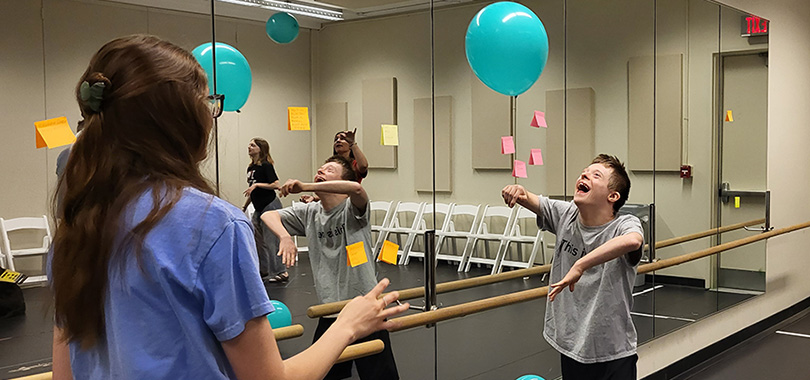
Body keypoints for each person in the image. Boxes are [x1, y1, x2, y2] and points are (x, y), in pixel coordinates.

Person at [49, 34, 408, 380]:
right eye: (208, 104)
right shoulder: (212, 224)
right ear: (182, 120)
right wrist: (348, 324)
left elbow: (65, 373)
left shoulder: (77, 225)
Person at [501, 154, 645, 380]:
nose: (585, 174)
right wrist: (518, 192)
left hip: (613, 353)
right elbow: (532, 198)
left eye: (596, 175)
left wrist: (580, 265)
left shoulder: (624, 224)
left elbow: (633, 241)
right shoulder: (567, 215)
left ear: (613, 196)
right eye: (585, 171)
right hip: (572, 347)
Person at [261, 155, 399, 380]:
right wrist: (284, 236)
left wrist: (306, 185)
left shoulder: (352, 210)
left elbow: (356, 188)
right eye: (320, 168)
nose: (321, 170)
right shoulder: (310, 212)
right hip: (331, 311)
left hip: (365, 307)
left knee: (380, 376)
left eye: (329, 169)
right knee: (323, 374)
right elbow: (268, 214)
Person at [242, 137, 287, 283]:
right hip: (258, 207)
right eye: (249, 145)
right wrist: (244, 206)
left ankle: (281, 271)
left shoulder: (266, 166)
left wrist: (258, 185)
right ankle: (264, 270)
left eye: (253, 145)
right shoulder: (251, 169)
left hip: (270, 205)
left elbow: (276, 185)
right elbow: (252, 190)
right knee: (258, 239)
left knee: (271, 240)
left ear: (260, 149)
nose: (249, 147)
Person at [299, 129, 367, 203]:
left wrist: (352, 144)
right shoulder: (330, 164)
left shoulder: (354, 164)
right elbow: (331, 192)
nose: (338, 141)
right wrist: (314, 198)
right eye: (336, 139)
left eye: (343, 139)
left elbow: (363, 166)